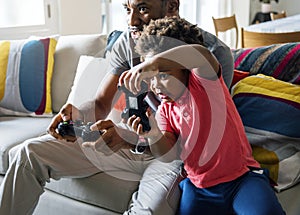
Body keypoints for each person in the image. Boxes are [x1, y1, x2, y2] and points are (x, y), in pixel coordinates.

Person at [0, 0, 234, 214]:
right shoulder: (127, 42)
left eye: (143, 8)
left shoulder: (212, 53)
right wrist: (78, 115)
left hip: (172, 153)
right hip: (128, 138)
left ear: (172, 6)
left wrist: (132, 138)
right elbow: (102, 103)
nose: (131, 21)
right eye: (127, 9)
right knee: (28, 153)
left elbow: (194, 140)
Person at [121, 17, 286, 214]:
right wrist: (153, 135)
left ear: (186, 70)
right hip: (200, 187)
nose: (155, 85)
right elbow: (169, 154)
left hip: (242, 179)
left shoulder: (205, 85)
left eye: (163, 74)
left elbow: (199, 55)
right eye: (151, 77)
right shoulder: (165, 110)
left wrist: (152, 63)